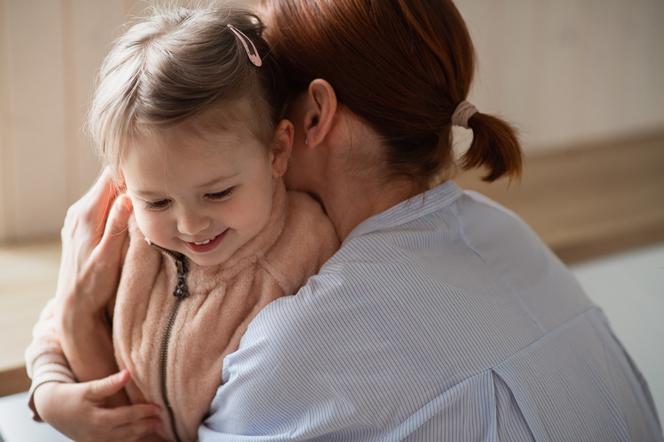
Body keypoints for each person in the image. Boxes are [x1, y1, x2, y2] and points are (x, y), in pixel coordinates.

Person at [31, 0, 663, 441]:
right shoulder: (506, 236)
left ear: (307, 120)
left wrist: (75, 312)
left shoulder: (306, 339)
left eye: (268, 89)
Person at [24, 5, 338, 442]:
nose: (189, 225)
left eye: (218, 193)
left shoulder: (306, 253)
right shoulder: (124, 231)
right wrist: (50, 391)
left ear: (277, 151)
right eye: (156, 200)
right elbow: (57, 319)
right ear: (121, 180)